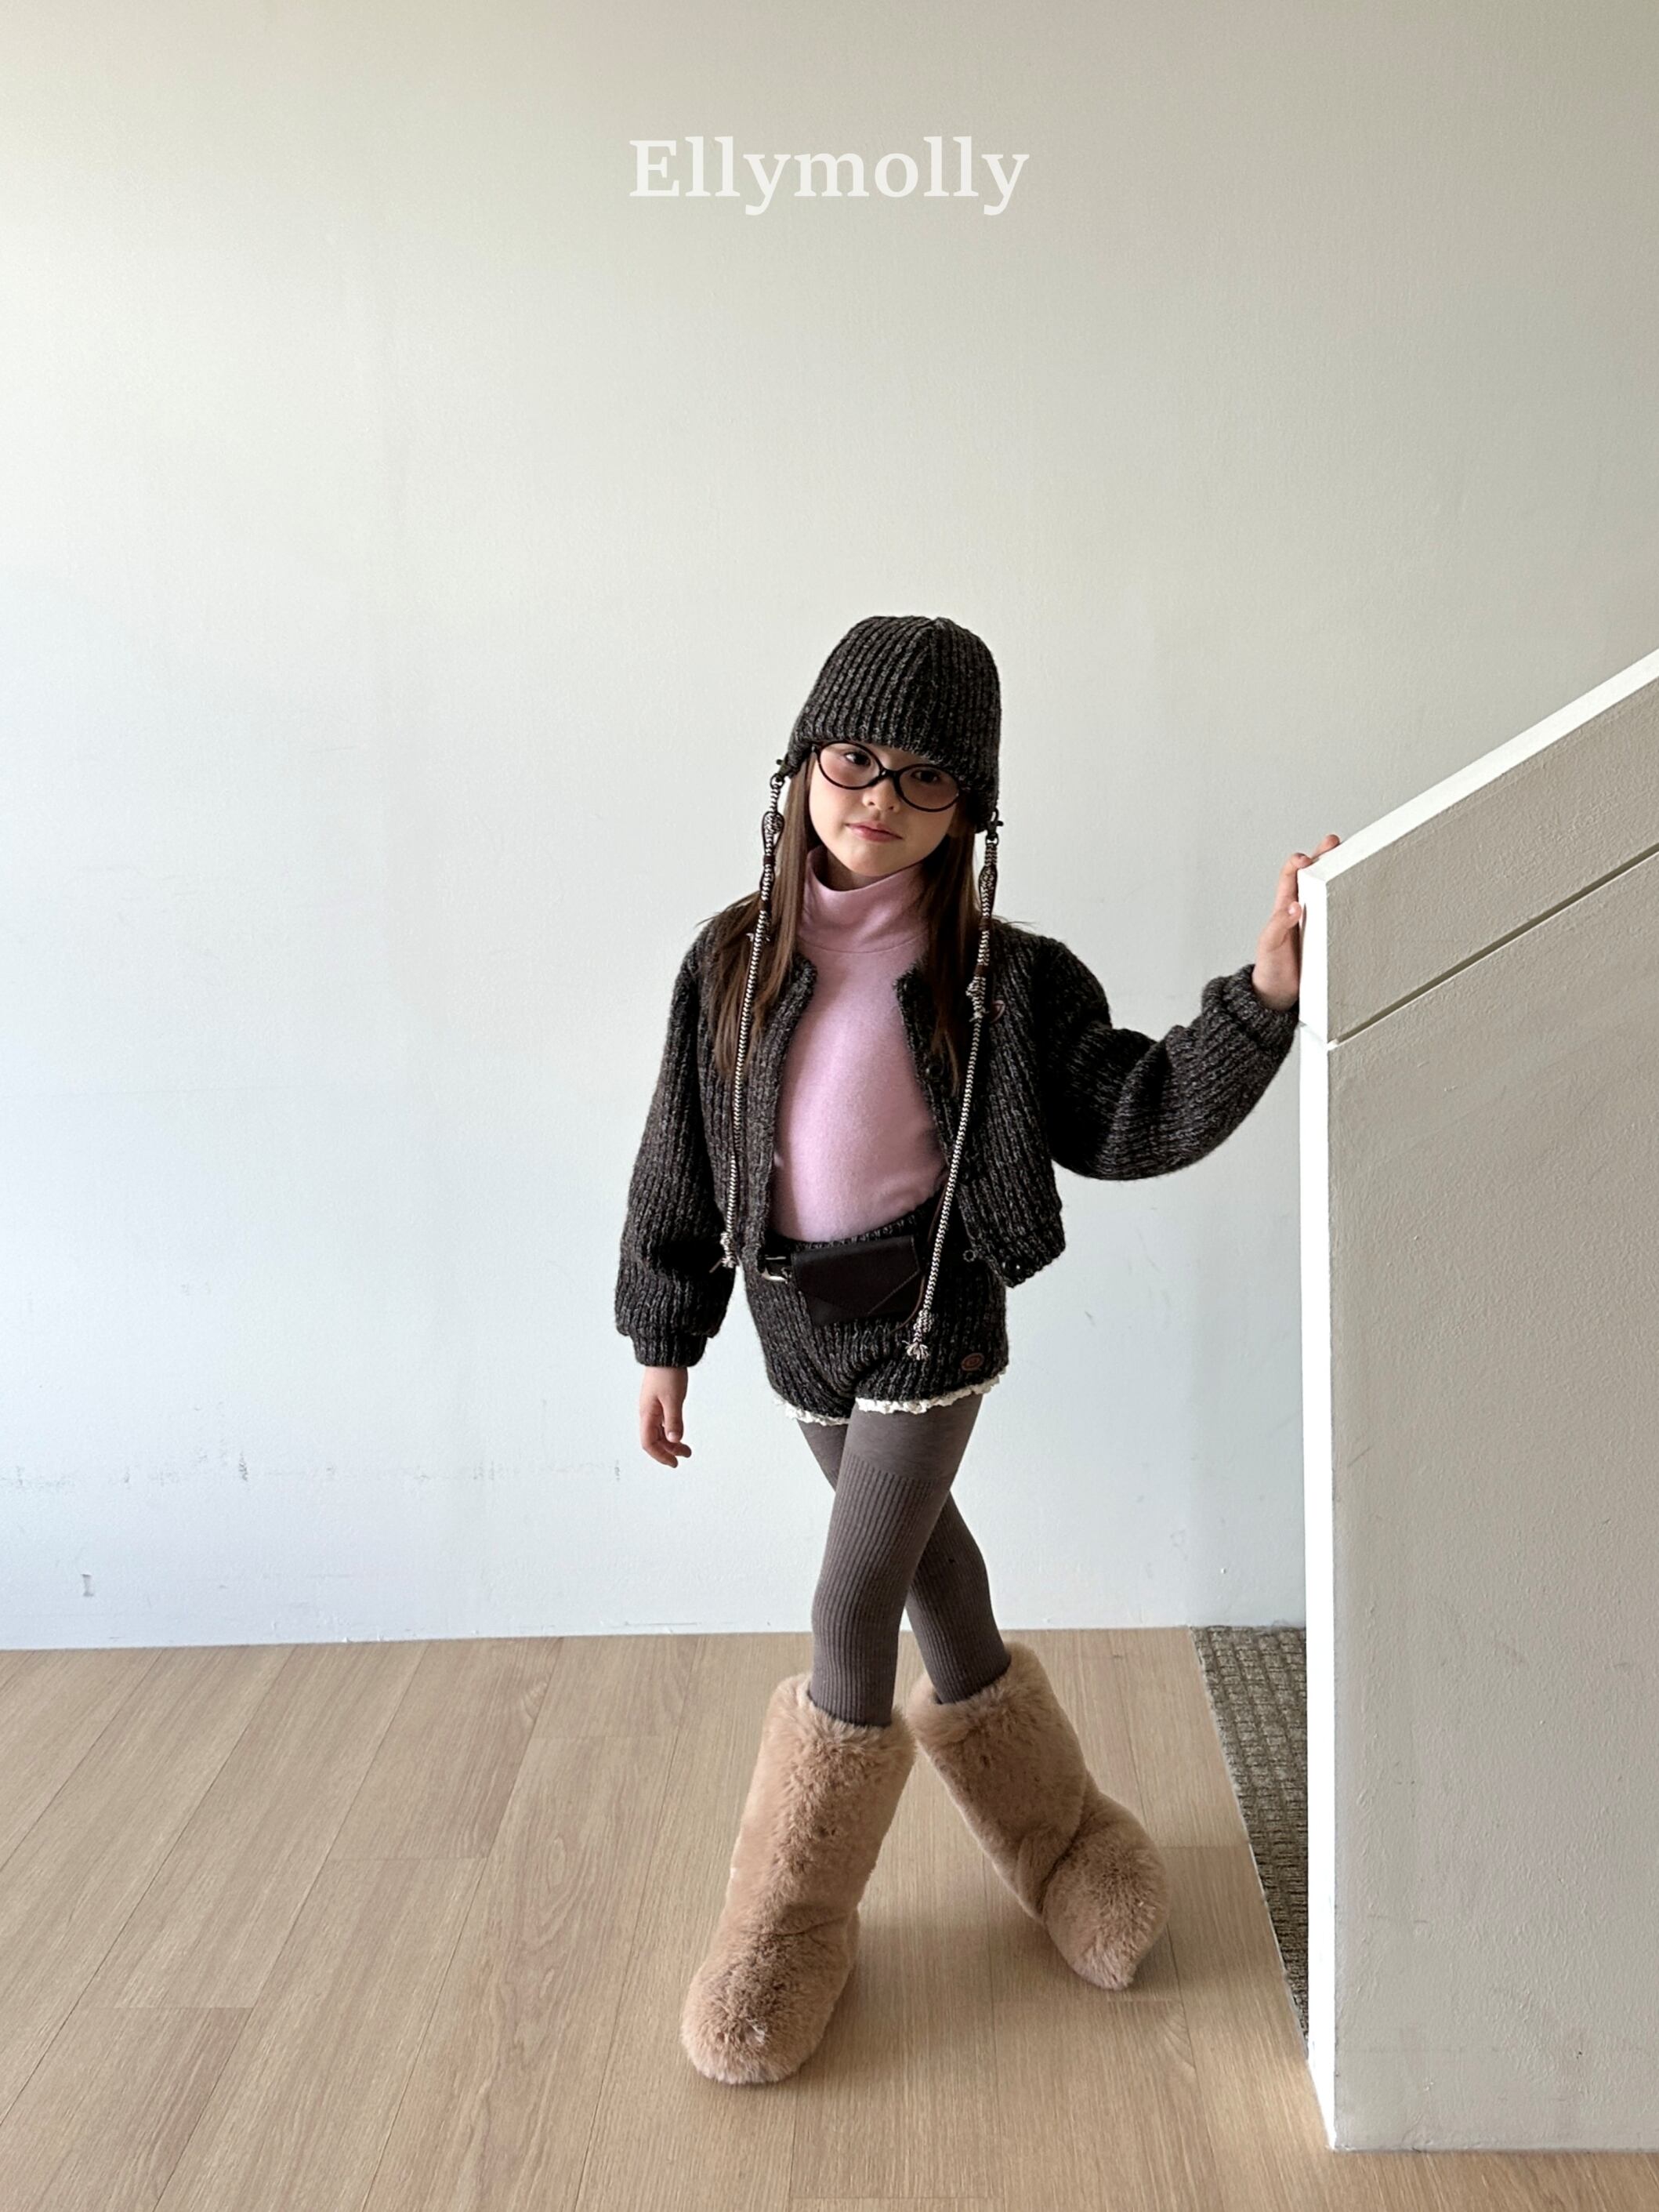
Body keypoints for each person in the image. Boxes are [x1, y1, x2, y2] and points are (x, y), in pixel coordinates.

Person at [614, 613, 1338, 2086]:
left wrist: (1261, 999)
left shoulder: (1005, 979)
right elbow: (675, 1158)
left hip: (928, 1319)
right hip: (796, 1328)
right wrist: (663, 1336)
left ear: (970, 810)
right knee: (937, 1574)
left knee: (851, 1599)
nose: (879, 797)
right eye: (854, 758)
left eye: (926, 776)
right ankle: (1063, 1840)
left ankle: (785, 1919)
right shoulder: (726, 960)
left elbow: (1132, 1110)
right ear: (801, 764)